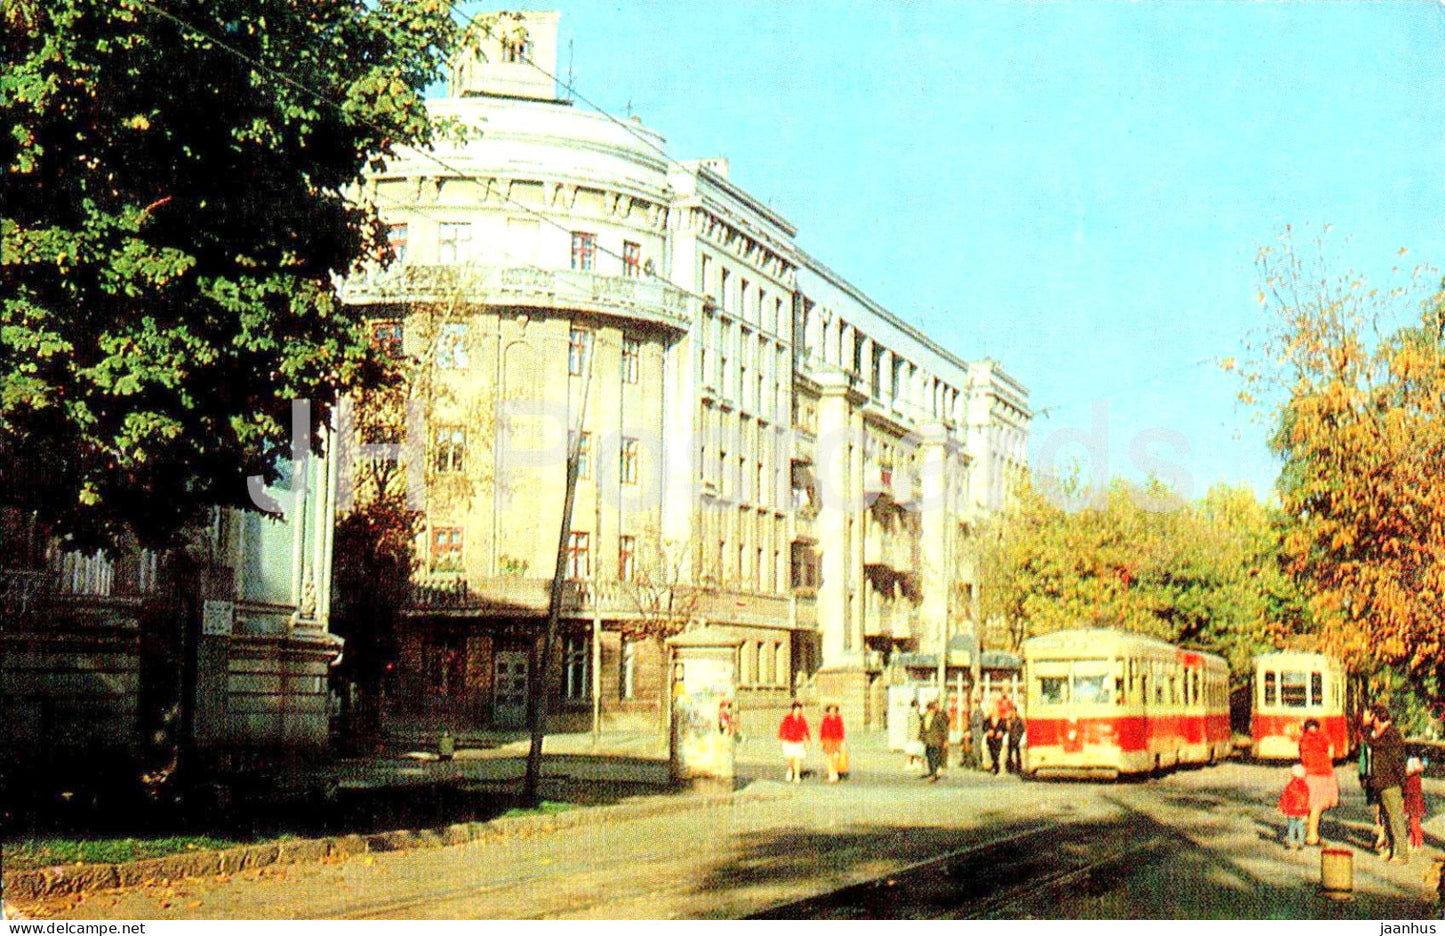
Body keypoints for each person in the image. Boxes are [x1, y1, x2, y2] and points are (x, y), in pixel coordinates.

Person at [1368, 703, 1410, 863]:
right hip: (1382, 783)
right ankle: (1391, 849)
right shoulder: (1382, 733)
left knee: (1396, 818)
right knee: (1386, 818)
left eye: (1371, 717)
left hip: (1391, 782)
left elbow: (1397, 762)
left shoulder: (1390, 733)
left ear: (1377, 717)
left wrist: (1403, 784)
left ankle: (1401, 853)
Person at [1297, 718, 1337, 845]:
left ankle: (1308, 831)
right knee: (1317, 806)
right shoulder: (1323, 737)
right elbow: (1331, 752)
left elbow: (1302, 756)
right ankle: (1312, 835)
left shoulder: (1303, 740)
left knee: (1311, 804)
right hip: (1323, 773)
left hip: (1309, 774)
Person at [1358, 711, 1387, 851]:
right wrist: (1362, 774)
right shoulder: (1367, 739)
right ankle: (1380, 831)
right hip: (1371, 777)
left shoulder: (1386, 736)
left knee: (1384, 806)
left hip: (1383, 777)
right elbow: (1363, 758)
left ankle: (1382, 836)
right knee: (1376, 804)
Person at [1278, 763, 1311, 851]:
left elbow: (1285, 797)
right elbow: (1307, 798)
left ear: (1293, 774)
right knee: (1300, 826)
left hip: (1291, 810)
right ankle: (1301, 843)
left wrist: (1282, 806)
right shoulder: (1305, 786)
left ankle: (1291, 842)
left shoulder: (1290, 786)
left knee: (1291, 826)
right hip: (1301, 811)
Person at [778, 699, 810, 784]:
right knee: (790, 759)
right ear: (793, 710)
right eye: (796, 709)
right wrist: (781, 737)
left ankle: (797, 775)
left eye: (799, 709)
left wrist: (807, 739)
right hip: (789, 741)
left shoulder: (802, 720)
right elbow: (782, 728)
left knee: (798, 759)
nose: (798, 711)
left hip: (799, 741)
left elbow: (806, 730)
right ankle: (790, 770)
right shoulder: (787, 718)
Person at [920, 699, 950, 782]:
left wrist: (946, 740)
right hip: (928, 740)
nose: (932, 710)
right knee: (929, 757)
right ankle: (932, 772)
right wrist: (922, 737)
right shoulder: (925, 716)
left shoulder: (938, 716)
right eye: (931, 709)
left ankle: (933, 773)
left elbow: (944, 729)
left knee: (935, 757)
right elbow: (922, 728)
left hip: (937, 740)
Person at [820, 703, 847, 783]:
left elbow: (841, 730)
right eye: (830, 711)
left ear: (836, 712)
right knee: (829, 757)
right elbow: (822, 731)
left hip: (836, 740)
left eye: (834, 711)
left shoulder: (839, 719)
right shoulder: (825, 719)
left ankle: (835, 772)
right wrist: (821, 741)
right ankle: (831, 773)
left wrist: (842, 741)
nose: (832, 712)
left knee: (836, 757)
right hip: (828, 740)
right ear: (828, 711)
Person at [1405, 756, 1426, 850]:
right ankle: (1413, 841)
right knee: (1411, 822)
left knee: (1414, 823)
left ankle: (1417, 842)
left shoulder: (1415, 778)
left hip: (1414, 801)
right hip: (1411, 799)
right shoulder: (1412, 779)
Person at [1004, 703, 1026, 775]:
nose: (1013, 713)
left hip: (1017, 738)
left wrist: (1019, 735)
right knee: (1009, 753)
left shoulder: (1019, 720)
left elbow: (1022, 729)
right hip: (1011, 737)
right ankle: (1010, 768)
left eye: (1013, 711)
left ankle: (1018, 768)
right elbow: (1007, 729)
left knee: (1017, 754)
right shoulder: (1010, 720)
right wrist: (1008, 722)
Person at [904, 698, 925, 771]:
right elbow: (917, 725)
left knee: (912, 750)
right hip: (915, 735)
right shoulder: (915, 713)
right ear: (915, 705)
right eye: (918, 705)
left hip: (912, 735)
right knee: (914, 750)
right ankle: (912, 764)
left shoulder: (911, 713)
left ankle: (911, 764)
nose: (919, 707)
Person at [984, 708, 1006, 776]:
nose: (994, 712)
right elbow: (984, 727)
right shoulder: (988, 720)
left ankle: (997, 768)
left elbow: (1004, 729)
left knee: (997, 753)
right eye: (993, 711)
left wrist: (1001, 732)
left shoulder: (1001, 720)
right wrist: (988, 731)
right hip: (991, 739)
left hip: (998, 739)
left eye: (996, 711)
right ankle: (995, 765)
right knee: (992, 753)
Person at [968, 695, 986, 771]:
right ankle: (976, 765)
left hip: (978, 732)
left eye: (974, 704)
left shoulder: (979, 711)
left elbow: (978, 722)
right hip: (974, 732)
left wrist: (971, 722)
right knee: (974, 749)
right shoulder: (974, 712)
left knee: (977, 749)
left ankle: (978, 765)